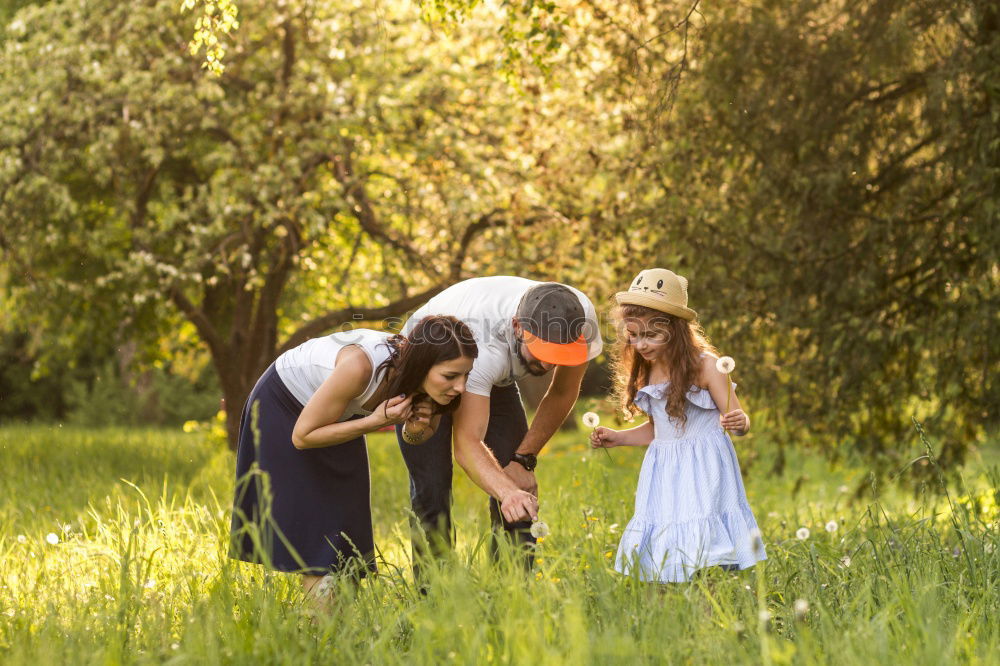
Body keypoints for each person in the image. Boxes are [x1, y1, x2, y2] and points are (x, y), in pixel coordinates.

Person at [229, 315, 538, 597]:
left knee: (346, 521)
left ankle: (336, 628)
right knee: (321, 526)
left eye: (465, 375)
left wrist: (416, 424)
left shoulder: (429, 385)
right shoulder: (360, 367)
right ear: (423, 365)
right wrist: (375, 422)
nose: (460, 386)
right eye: (450, 376)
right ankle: (316, 631)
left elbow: (414, 437)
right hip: (286, 406)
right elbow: (302, 436)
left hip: (340, 416)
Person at [395, 277, 603, 567]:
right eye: (542, 352)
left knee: (518, 484)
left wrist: (523, 459)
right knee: (432, 488)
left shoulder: (580, 318)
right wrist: (507, 492)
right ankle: (435, 594)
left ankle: (514, 592)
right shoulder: (486, 349)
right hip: (431, 369)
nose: (547, 365)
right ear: (518, 327)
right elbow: (467, 444)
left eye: (560, 355)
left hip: (493, 374)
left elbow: (562, 391)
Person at [590, 268, 765, 582]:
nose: (641, 344)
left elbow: (737, 422)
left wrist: (741, 422)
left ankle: (707, 606)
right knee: (666, 537)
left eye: (651, 335)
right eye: (633, 334)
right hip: (665, 469)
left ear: (676, 330)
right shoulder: (650, 370)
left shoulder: (707, 366)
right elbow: (660, 428)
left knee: (703, 540)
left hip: (705, 465)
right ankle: (668, 607)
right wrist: (618, 437)